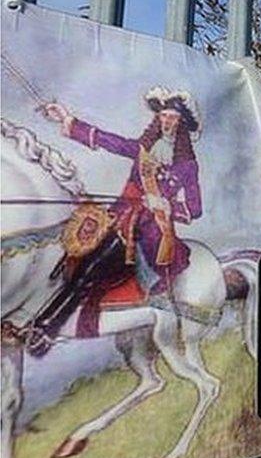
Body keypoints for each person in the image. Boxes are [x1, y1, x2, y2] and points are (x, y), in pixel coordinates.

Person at [26, 88, 203, 356]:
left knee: (90, 271)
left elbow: (195, 207)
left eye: (173, 118)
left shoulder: (187, 165)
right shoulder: (144, 149)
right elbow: (112, 142)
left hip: (150, 234)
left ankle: (47, 330)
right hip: (119, 220)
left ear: (181, 124)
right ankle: (40, 322)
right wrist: (67, 120)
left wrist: (168, 205)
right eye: (163, 116)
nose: (167, 122)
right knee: (77, 261)